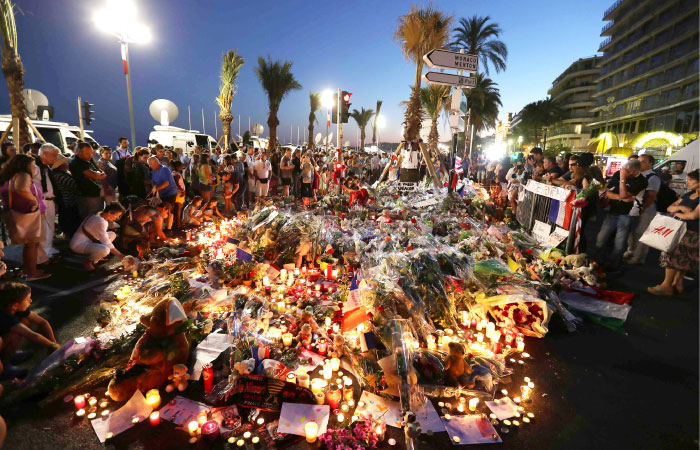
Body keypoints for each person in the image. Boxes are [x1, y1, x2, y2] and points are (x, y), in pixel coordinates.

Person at [648, 170, 699, 296]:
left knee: (674, 257)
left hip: (693, 232)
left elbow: (693, 215)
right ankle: (676, 284)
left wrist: (678, 213)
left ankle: (666, 285)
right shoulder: (689, 194)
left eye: (691, 180)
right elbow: (670, 207)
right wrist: (681, 208)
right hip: (679, 228)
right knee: (679, 258)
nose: (687, 182)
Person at [0, 155, 49, 280]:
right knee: (32, 244)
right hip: (27, 214)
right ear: (24, 165)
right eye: (32, 165)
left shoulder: (9, 175)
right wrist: (34, 200)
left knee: (29, 244)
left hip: (15, 212)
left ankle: (29, 270)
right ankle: (31, 272)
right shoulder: (23, 175)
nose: (33, 168)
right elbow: (21, 189)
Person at [0, 282, 60, 380]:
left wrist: (53, 343)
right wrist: (52, 346)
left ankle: (9, 355)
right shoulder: (4, 316)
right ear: (15, 305)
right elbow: (31, 335)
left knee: (25, 320)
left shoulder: (14, 307)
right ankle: (4, 366)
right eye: (27, 299)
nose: (31, 301)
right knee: (16, 334)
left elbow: (42, 322)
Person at [594, 159, 647, 269]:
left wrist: (622, 179)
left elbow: (624, 194)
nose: (623, 171)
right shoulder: (618, 173)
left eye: (626, 171)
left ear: (634, 172)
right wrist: (620, 197)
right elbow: (608, 192)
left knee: (620, 242)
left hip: (627, 214)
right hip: (612, 210)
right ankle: (597, 260)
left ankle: (614, 265)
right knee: (601, 238)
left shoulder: (641, 181)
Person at [624, 154, 661, 265]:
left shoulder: (652, 177)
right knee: (631, 232)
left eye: (643, 161)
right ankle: (631, 252)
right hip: (634, 208)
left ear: (650, 164)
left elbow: (651, 196)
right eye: (638, 161)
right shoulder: (637, 175)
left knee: (641, 233)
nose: (639, 163)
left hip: (646, 210)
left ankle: (638, 257)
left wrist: (641, 209)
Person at [70, 202, 126, 271]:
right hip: (78, 245)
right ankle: (88, 262)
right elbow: (107, 243)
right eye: (117, 215)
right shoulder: (100, 221)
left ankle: (98, 256)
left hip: (89, 240)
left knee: (112, 234)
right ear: (110, 212)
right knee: (105, 250)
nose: (117, 218)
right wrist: (120, 255)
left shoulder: (99, 214)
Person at [32, 143, 59, 265]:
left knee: (50, 227)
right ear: (44, 154)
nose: (55, 158)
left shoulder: (46, 167)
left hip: (50, 200)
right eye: (53, 155)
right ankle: (42, 255)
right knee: (43, 228)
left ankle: (48, 249)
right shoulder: (34, 166)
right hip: (40, 200)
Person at [70, 142, 105, 218]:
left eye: (91, 153)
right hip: (87, 196)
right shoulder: (77, 163)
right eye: (87, 153)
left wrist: (99, 174)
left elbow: (102, 174)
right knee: (90, 218)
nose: (90, 155)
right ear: (79, 152)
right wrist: (98, 174)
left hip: (95, 194)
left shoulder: (88, 161)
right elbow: (95, 175)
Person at [51, 154, 81, 238]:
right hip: (66, 202)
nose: (67, 164)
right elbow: (74, 184)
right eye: (65, 163)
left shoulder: (64, 173)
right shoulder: (59, 176)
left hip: (69, 200)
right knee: (68, 219)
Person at [148, 156, 177, 232]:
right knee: (162, 210)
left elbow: (166, 183)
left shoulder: (164, 169)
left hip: (170, 192)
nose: (149, 166)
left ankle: (169, 228)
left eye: (150, 164)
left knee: (169, 209)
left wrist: (156, 189)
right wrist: (153, 187)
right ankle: (161, 227)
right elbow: (154, 181)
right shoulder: (154, 171)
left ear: (156, 163)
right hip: (162, 193)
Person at [170, 160, 187, 229]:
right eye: (181, 166)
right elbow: (176, 183)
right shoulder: (177, 174)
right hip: (179, 193)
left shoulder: (173, 173)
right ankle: (178, 223)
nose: (182, 167)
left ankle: (177, 222)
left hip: (175, 192)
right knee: (178, 209)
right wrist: (182, 190)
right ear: (178, 166)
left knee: (177, 209)